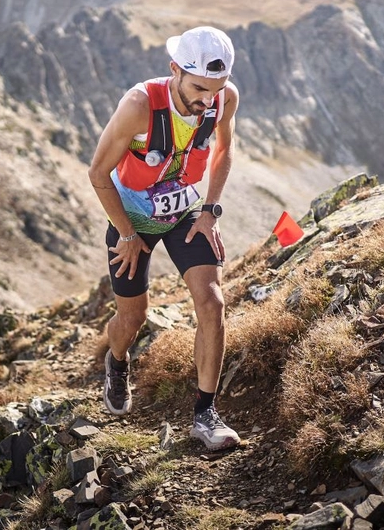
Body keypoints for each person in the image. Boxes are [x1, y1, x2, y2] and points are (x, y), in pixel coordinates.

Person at [87, 25, 241, 451]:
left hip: (187, 214)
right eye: (198, 88)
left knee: (213, 302)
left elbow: (225, 148)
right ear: (174, 69)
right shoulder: (139, 106)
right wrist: (126, 233)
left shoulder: (224, 98)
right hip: (132, 220)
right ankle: (116, 361)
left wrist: (210, 210)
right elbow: (98, 173)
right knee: (131, 319)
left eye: (217, 88)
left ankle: (205, 415)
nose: (207, 100)